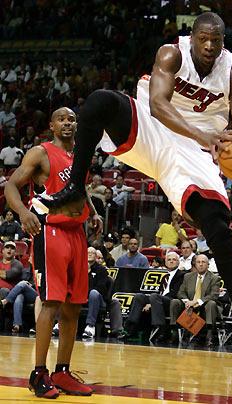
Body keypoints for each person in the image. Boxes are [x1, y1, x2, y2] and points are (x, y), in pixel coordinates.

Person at [33, 12, 232, 360]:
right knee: (100, 100)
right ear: (192, 37)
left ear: (223, 42)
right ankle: (74, 191)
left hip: (196, 152)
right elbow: (158, 106)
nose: (208, 46)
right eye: (203, 39)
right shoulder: (171, 54)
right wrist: (204, 135)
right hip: (154, 129)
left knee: (219, 228)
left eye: (216, 40)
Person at [4, 107, 102, 398]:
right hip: (52, 233)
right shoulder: (40, 153)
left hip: (77, 234)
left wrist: (93, 212)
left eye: (72, 119)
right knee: (52, 302)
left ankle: (62, 372)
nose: (68, 123)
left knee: (74, 305)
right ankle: (38, 374)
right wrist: (22, 212)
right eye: (62, 119)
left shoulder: (79, 154)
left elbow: (79, 188)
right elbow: (11, 185)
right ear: (52, 125)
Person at [123, 251, 184, 341]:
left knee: (154, 296)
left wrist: (152, 303)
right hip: (158, 299)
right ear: (166, 263)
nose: (171, 261)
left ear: (178, 262)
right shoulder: (164, 276)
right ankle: (132, 327)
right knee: (139, 297)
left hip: (172, 302)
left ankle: (160, 327)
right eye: (169, 260)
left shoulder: (182, 275)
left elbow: (175, 293)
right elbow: (160, 293)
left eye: (174, 260)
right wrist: (152, 301)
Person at [170, 254, 222, 346]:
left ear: (208, 264)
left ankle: (209, 335)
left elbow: (214, 295)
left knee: (211, 303)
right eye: (198, 262)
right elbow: (180, 293)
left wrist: (196, 302)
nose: (201, 264)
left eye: (203, 262)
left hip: (205, 307)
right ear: (195, 264)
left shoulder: (214, 278)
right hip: (189, 306)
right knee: (175, 302)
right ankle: (174, 332)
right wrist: (187, 302)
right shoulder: (188, 276)